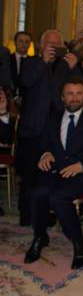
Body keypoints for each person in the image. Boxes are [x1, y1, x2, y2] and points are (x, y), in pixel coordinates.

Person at [24, 77, 83, 269]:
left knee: (57, 198)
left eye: (79, 93)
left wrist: (81, 166)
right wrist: (45, 154)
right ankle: (40, 236)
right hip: (57, 171)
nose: (74, 98)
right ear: (62, 97)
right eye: (70, 94)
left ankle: (79, 243)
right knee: (37, 193)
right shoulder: (52, 117)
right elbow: (44, 145)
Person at [16, 29, 82, 226]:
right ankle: (26, 214)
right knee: (29, 175)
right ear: (40, 46)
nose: (53, 47)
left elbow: (80, 91)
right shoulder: (30, 62)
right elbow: (26, 82)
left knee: (50, 175)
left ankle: (47, 214)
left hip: (56, 131)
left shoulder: (65, 66)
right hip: (32, 129)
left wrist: (74, 68)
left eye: (57, 44)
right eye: (49, 44)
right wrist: (43, 61)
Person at [0, 86, 18, 217]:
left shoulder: (14, 118)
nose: (0, 98)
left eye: (2, 96)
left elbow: (9, 139)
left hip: (8, 153)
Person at [9, 31, 32, 103]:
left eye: (27, 41)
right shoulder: (7, 59)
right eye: (21, 41)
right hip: (9, 99)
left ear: (29, 45)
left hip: (28, 101)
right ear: (15, 42)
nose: (24, 44)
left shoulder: (35, 62)